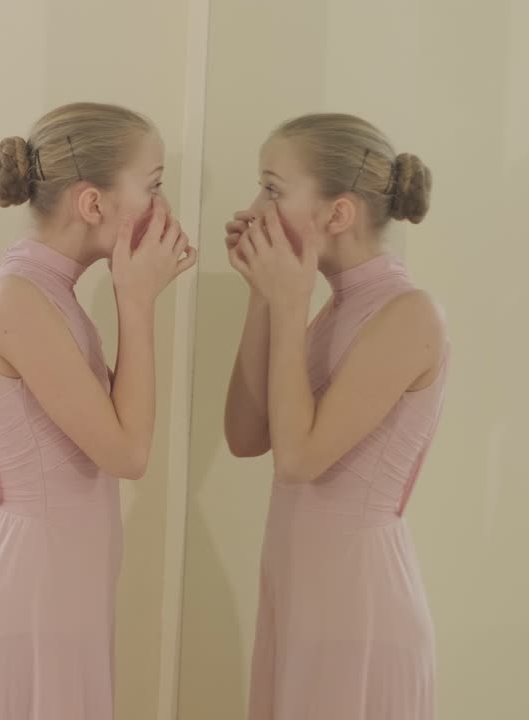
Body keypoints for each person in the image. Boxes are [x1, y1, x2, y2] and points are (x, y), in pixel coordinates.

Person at [0, 102, 196, 720]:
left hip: (62, 602)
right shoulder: (20, 302)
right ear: (92, 204)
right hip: (32, 604)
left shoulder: (53, 299)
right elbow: (128, 452)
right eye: (155, 186)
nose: (165, 210)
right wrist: (136, 302)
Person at [224, 113, 447, 720]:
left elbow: (298, 461)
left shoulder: (406, 314)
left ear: (338, 215)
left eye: (272, 188)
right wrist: (264, 295)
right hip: (300, 595)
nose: (254, 206)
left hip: (357, 610)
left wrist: (291, 298)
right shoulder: (331, 308)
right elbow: (245, 437)